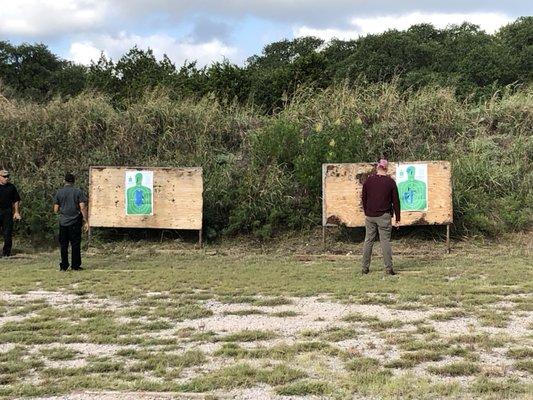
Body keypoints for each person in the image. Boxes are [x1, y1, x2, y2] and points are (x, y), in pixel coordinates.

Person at [361, 159, 401, 275]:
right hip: (384, 216)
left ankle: (365, 268)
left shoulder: (368, 181)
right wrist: (398, 219)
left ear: (377, 168)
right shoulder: (390, 182)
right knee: (385, 242)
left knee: (368, 240)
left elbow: (364, 198)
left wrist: (367, 212)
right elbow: (396, 202)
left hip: (370, 215)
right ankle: (389, 268)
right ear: (386, 168)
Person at [53, 173, 88, 271]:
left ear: (64, 181)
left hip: (63, 222)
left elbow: (55, 209)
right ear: (73, 181)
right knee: (75, 244)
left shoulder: (59, 192)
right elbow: (82, 207)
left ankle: (64, 265)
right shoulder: (78, 192)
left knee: (64, 245)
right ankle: (75, 265)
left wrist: (63, 212)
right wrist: (86, 220)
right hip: (75, 221)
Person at [0, 170, 21, 257]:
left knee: (7, 233)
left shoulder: (11, 187)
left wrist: (16, 212)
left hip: (7, 212)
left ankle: (6, 253)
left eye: (8, 176)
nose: (6, 178)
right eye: (4, 176)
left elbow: (16, 200)